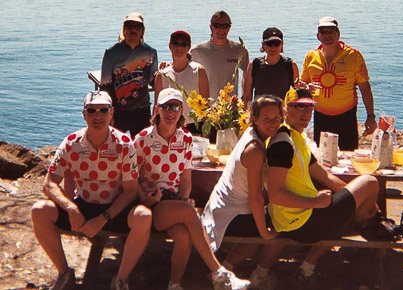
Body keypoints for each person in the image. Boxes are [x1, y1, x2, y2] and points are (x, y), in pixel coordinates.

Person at [30, 91, 152, 290]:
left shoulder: (124, 145)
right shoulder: (71, 143)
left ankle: (121, 279)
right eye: (92, 110)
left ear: (112, 113)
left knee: (144, 216)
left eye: (103, 110)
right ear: (84, 114)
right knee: (39, 210)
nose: (98, 116)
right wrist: (71, 208)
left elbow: (130, 191)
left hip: (115, 208)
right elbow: (49, 184)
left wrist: (103, 218)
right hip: (83, 204)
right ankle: (63, 272)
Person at [134, 88, 251, 290]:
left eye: (175, 107)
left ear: (182, 111)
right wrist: (146, 198)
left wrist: (184, 197)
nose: (170, 112)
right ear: (157, 110)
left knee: (184, 235)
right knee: (189, 211)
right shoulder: (143, 139)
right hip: (150, 204)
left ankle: (175, 284)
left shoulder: (185, 139)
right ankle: (218, 272)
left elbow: (186, 176)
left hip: (174, 202)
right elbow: (131, 177)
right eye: (165, 107)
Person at [265, 88, 379, 285]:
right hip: (297, 222)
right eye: (299, 107)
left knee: (348, 201)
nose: (306, 113)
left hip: (301, 216)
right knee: (370, 182)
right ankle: (354, 226)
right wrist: (315, 202)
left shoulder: (296, 137)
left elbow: (324, 176)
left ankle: (306, 268)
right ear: (286, 109)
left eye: (309, 108)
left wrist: (356, 200)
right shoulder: (281, 143)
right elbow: (275, 195)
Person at [201, 95, 282, 283]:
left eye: (277, 117)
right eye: (266, 119)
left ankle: (226, 266)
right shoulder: (255, 149)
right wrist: (264, 232)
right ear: (254, 118)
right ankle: (257, 274)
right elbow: (255, 198)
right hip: (231, 214)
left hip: (220, 206)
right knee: (281, 226)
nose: (273, 123)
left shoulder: (251, 134)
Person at [299, 16, 377, 151]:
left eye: (331, 31)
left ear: (338, 34)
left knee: (348, 158)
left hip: (346, 115)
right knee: (323, 158)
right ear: (318, 36)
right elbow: (302, 84)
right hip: (321, 115)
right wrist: (304, 88)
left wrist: (370, 116)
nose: (327, 35)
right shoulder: (311, 57)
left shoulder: (353, 56)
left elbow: (365, 87)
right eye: (323, 31)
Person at [100, 12, 158, 138]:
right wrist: (108, 113)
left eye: (137, 26)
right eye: (129, 26)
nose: (133, 30)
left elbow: (154, 82)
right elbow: (105, 86)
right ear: (124, 30)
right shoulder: (111, 53)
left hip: (142, 111)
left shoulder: (150, 53)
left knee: (141, 149)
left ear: (142, 31)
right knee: (114, 147)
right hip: (117, 111)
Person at [154, 30, 209, 134]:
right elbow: (157, 108)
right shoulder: (161, 75)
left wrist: (206, 132)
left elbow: (206, 106)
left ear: (188, 48)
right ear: (170, 46)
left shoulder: (199, 71)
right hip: (169, 127)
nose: (179, 48)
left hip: (195, 126)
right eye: (176, 44)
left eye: (183, 44)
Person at [190, 10, 249, 99]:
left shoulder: (239, 50)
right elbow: (183, 68)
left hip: (230, 108)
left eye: (225, 26)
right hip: (205, 107)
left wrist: (244, 97)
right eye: (217, 25)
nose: (221, 29)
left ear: (229, 27)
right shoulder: (197, 51)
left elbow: (247, 74)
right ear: (211, 27)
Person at [242, 27, 299, 104]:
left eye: (276, 44)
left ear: (282, 44)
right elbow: (247, 95)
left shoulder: (290, 65)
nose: (273, 47)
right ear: (263, 44)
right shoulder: (254, 65)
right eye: (269, 44)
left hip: (282, 113)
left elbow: (297, 94)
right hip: (259, 113)